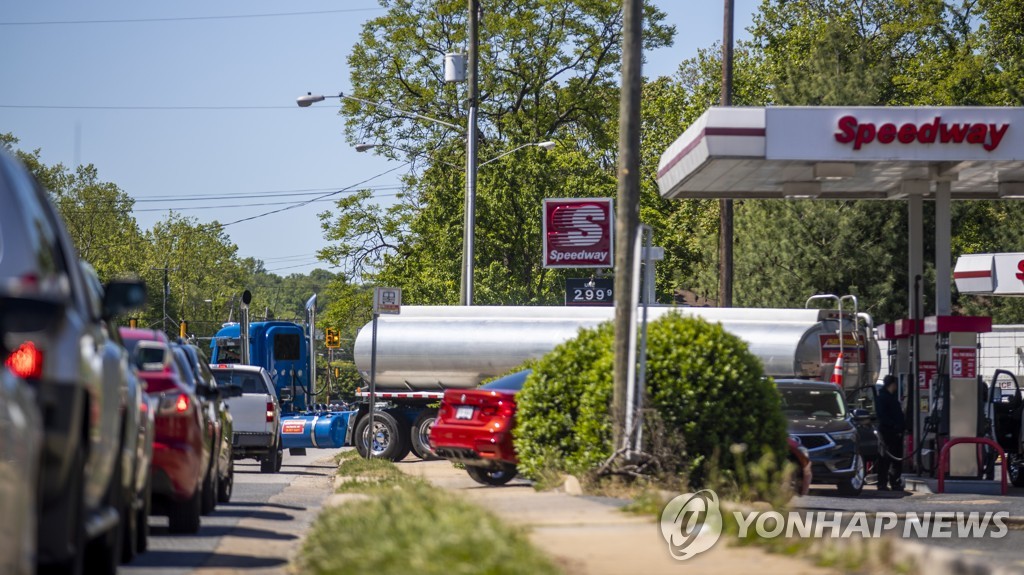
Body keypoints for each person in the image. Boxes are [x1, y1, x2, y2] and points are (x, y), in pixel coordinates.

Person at [875, 375, 905, 491]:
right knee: (887, 458)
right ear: (892, 384)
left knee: (893, 458)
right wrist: (895, 425)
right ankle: (884, 482)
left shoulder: (888, 397)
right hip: (888, 432)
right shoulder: (884, 398)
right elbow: (883, 416)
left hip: (893, 432)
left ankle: (892, 482)